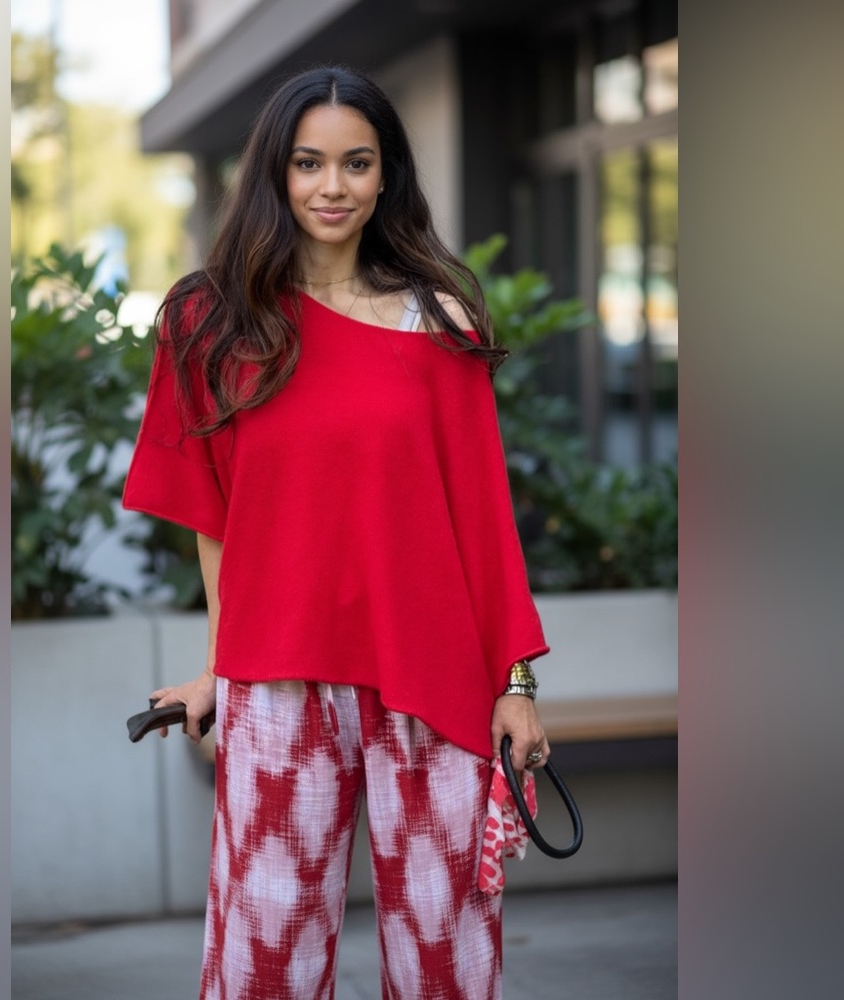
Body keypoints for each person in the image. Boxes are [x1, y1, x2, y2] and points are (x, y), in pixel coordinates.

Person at [123, 65, 551, 1000]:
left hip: (431, 675)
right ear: (274, 173)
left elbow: (482, 518)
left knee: (447, 961)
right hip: (275, 681)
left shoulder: (440, 317)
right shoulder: (208, 322)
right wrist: (217, 667)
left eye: (356, 163)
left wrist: (516, 682)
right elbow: (217, 523)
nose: (332, 187)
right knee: (261, 963)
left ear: (386, 173)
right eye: (309, 163)